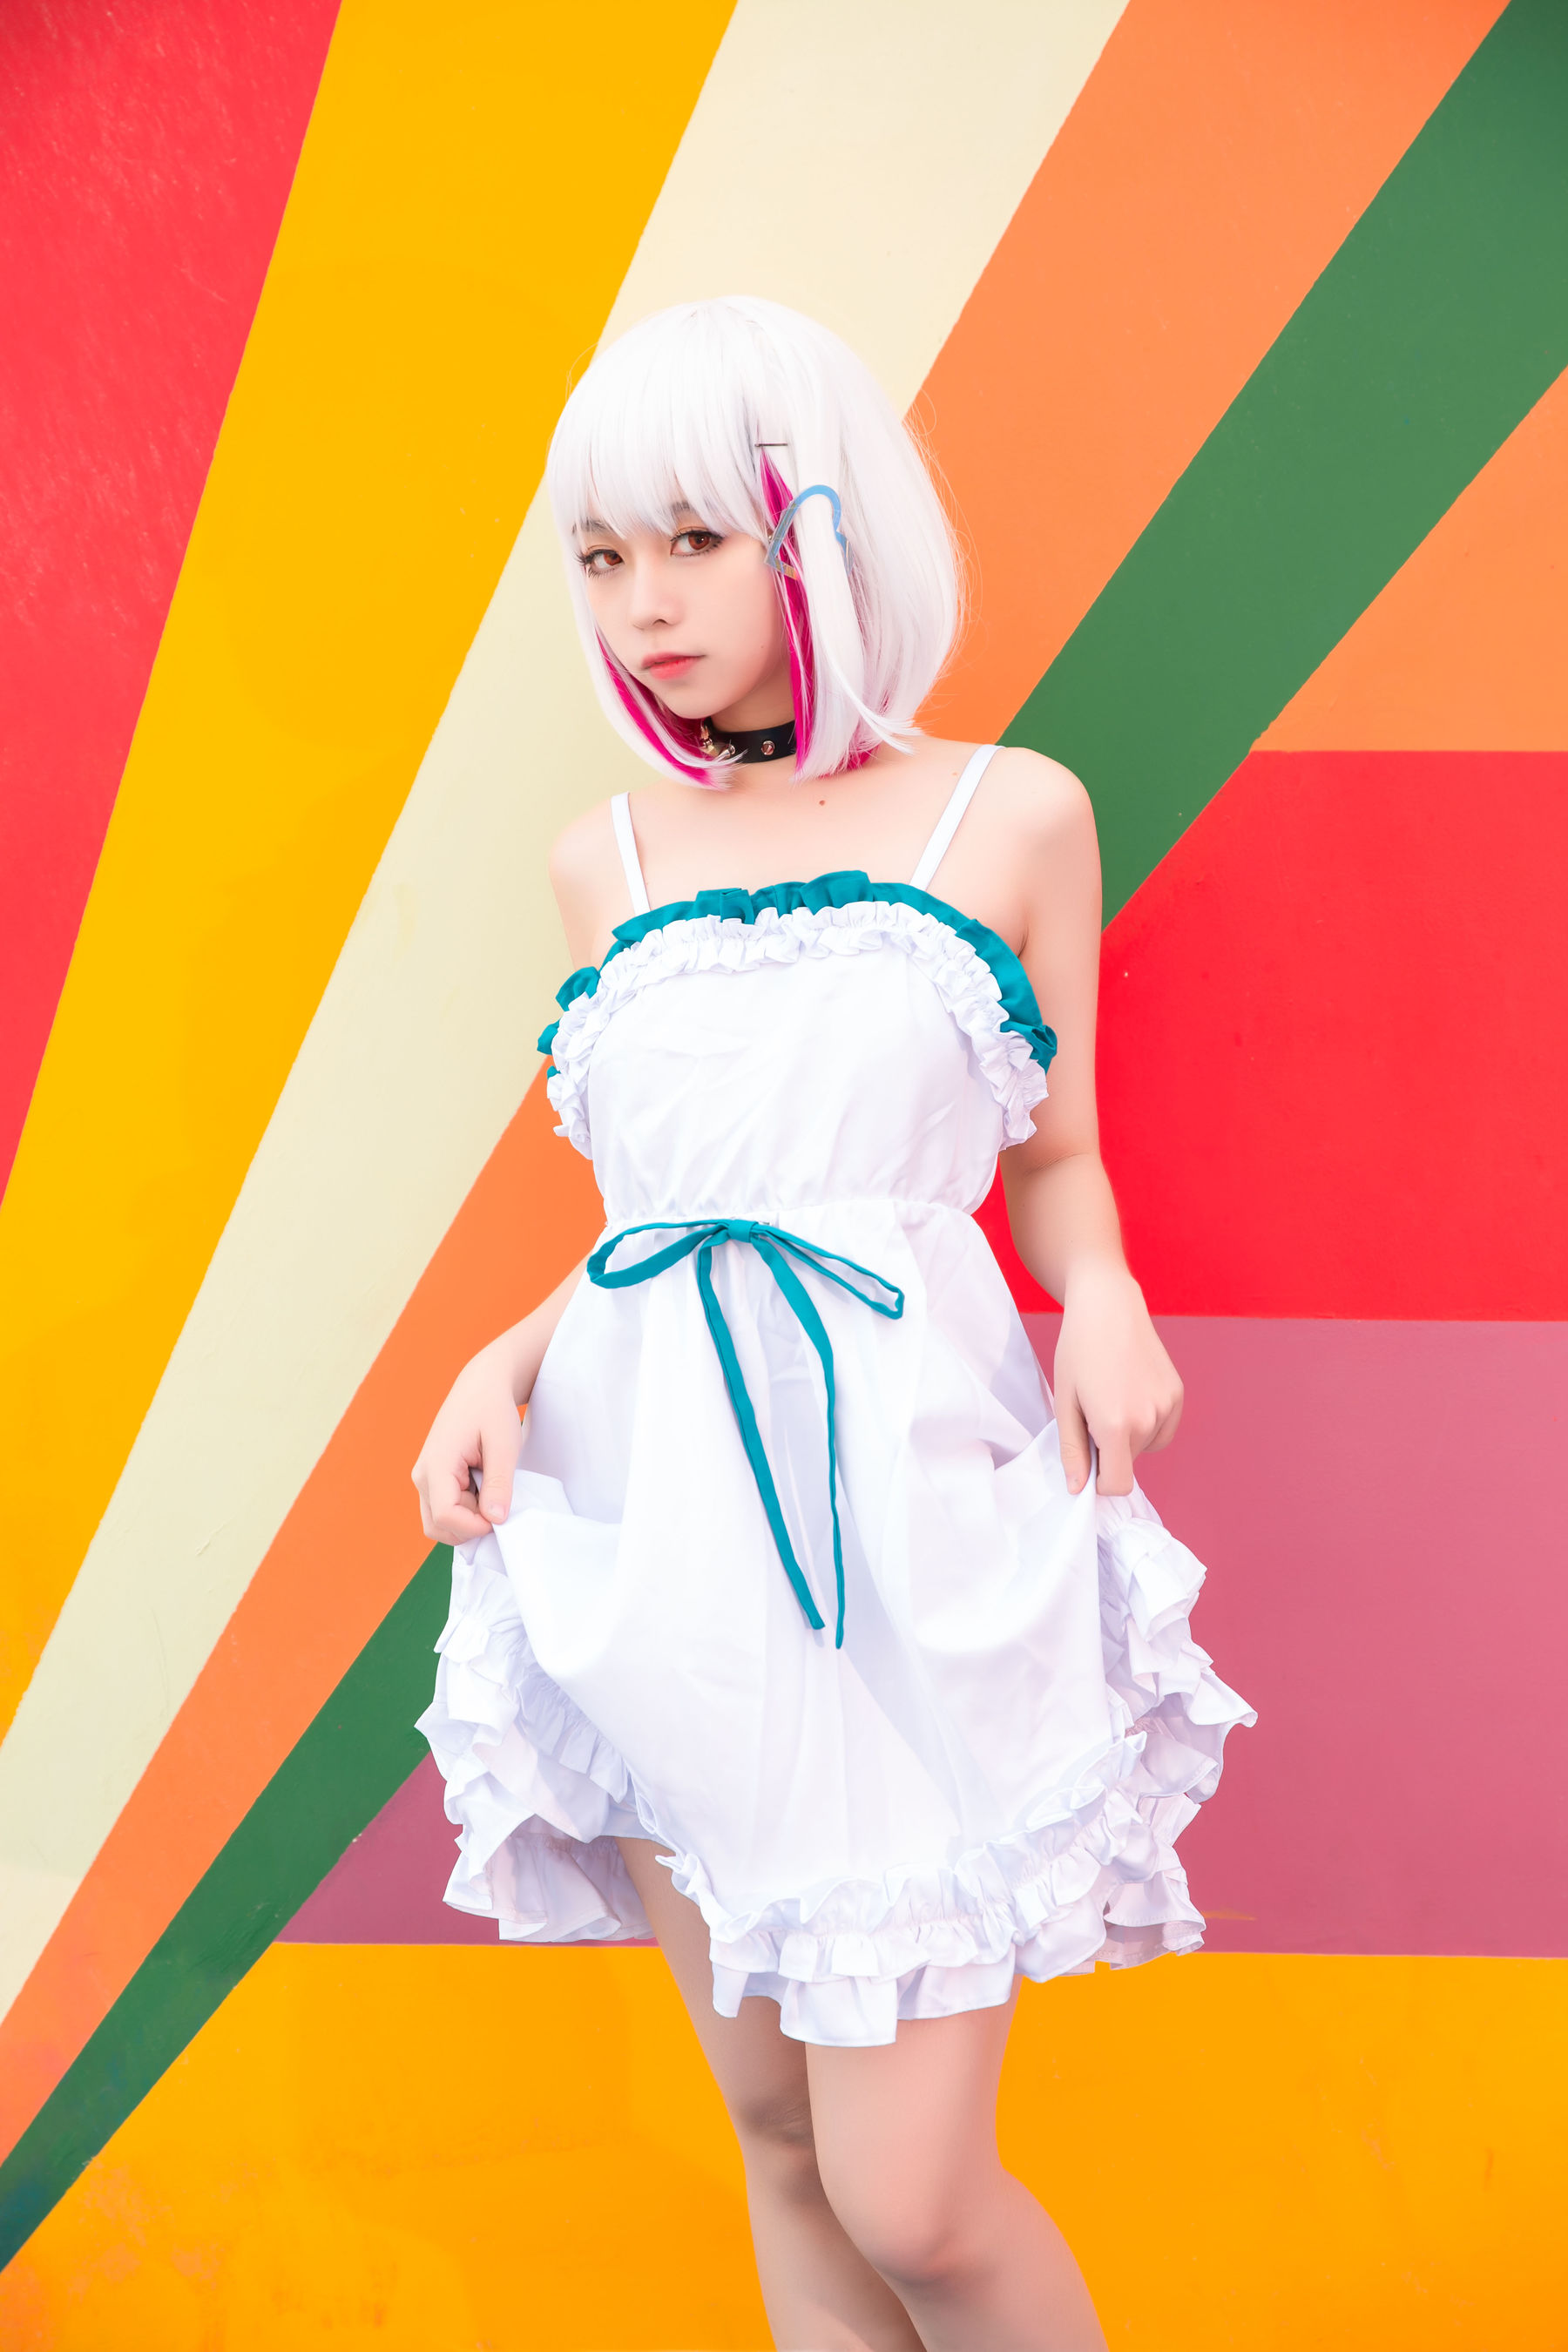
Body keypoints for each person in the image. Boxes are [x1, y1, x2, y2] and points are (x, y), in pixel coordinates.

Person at [413, 295, 1252, 2352]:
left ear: (820, 527)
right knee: (782, 2139)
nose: (643, 603)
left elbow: (1051, 1155)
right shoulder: (603, 861)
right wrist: (500, 1358)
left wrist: (1105, 1292)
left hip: (902, 1517)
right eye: (601, 557)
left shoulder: (1011, 816)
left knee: (916, 2197)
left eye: (693, 540)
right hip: (656, 1517)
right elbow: (672, 1214)